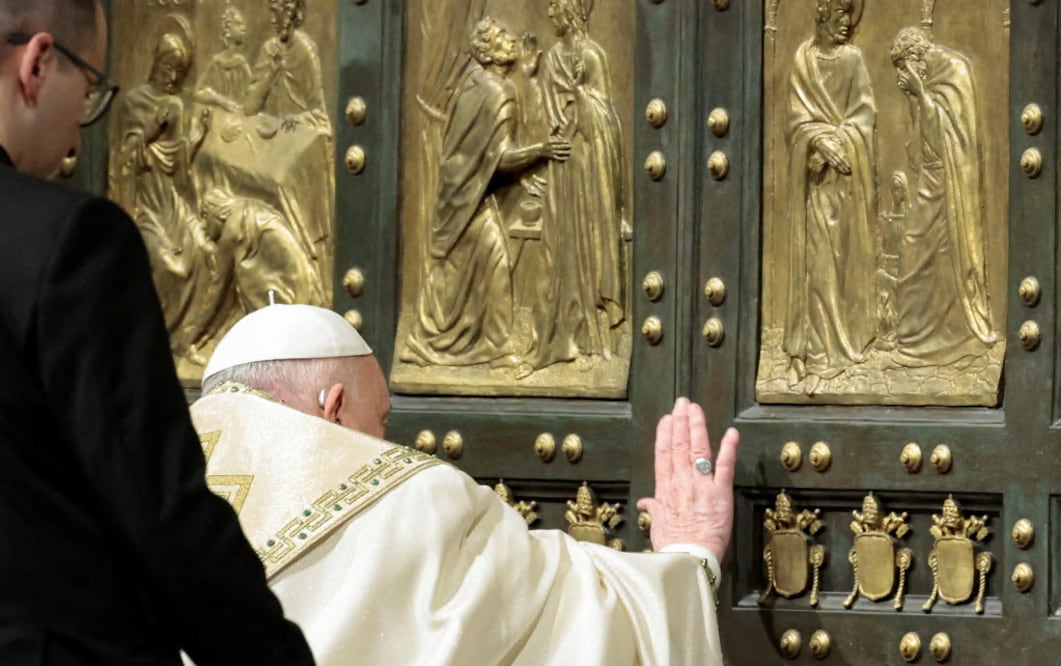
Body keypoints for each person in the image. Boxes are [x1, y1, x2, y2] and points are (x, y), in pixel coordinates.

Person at [0, 1, 313, 663]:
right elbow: (159, 516)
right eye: (88, 93)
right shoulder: (65, 242)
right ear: (38, 64)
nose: (78, 143)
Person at [196, 303, 740, 665]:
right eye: (383, 421)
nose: (388, 444)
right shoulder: (409, 500)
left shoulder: (134, 493)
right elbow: (576, 625)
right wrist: (692, 550)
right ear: (334, 408)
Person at [402, 17, 571, 368]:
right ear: (489, 51)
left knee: (474, 264)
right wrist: (541, 151)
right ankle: (447, 342)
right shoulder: (497, 92)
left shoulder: (474, 83)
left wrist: (530, 75)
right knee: (486, 260)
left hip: (462, 193)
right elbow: (501, 158)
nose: (511, 40)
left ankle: (475, 342)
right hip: (469, 197)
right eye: (502, 38)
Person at [524, 0, 629, 376]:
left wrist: (581, 98)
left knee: (589, 248)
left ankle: (596, 339)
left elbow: (606, 117)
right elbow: (549, 112)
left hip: (588, 164)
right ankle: (564, 337)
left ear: (568, 9)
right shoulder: (553, 56)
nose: (549, 13)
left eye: (554, 5)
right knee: (563, 249)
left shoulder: (593, 56)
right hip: (563, 165)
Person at [782, 0, 877, 392]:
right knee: (814, 265)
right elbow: (794, 122)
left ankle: (841, 347)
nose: (847, 25)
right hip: (813, 184)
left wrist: (840, 141)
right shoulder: (802, 60)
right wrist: (815, 141)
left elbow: (864, 117)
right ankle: (810, 352)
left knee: (839, 265)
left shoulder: (853, 60)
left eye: (850, 18)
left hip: (845, 182)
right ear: (822, 14)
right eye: (839, 17)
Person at [889, 27, 998, 365]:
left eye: (903, 65)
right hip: (929, 180)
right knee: (913, 248)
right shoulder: (927, 80)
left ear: (917, 56)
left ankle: (949, 338)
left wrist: (921, 93)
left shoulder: (953, 72)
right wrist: (918, 97)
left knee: (931, 251)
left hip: (947, 183)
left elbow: (951, 138)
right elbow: (919, 144)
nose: (902, 75)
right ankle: (913, 337)